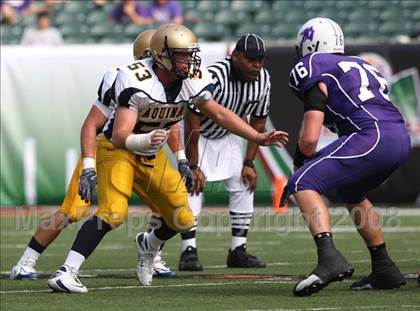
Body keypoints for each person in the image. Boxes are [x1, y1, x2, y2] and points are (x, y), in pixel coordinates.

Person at [47, 23, 288, 293]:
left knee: (183, 219)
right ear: (162, 54)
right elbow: (118, 135)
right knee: (113, 214)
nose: (189, 61)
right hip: (119, 151)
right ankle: (67, 272)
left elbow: (215, 113)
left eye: (190, 54)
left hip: (152, 155)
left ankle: (147, 245)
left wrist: (256, 138)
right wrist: (100, 162)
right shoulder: (135, 78)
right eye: (182, 55)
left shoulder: (189, 79)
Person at [11, 29, 177, 281]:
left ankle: (153, 257)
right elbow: (93, 123)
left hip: (143, 155)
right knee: (72, 210)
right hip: (108, 150)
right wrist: (89, 165)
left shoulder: (173, 82)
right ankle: (26, 261)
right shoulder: (120, 76)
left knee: (163, 207)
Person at [282, 17, 409, 296]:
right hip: (399, 136)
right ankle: (384, 267)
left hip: (371, 135)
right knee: (352, 192)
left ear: (311, 44)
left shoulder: (313, 66)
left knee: (302, 181)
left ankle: (330, 258)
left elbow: (310, 137)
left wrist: (301, 162)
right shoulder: (364, 65)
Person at [178, 34, 271, 271]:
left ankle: (237, 250)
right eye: (251, 60)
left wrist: (249, 161)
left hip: (227, 135)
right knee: (192, 186)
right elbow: (192, 120)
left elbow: (258, 122)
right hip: (196, 133)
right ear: (236, 56)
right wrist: (194, 164)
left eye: (260, 60)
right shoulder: (214, 75)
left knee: (244, 182)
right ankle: (188, 250)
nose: (257, 65)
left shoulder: (263, 80)